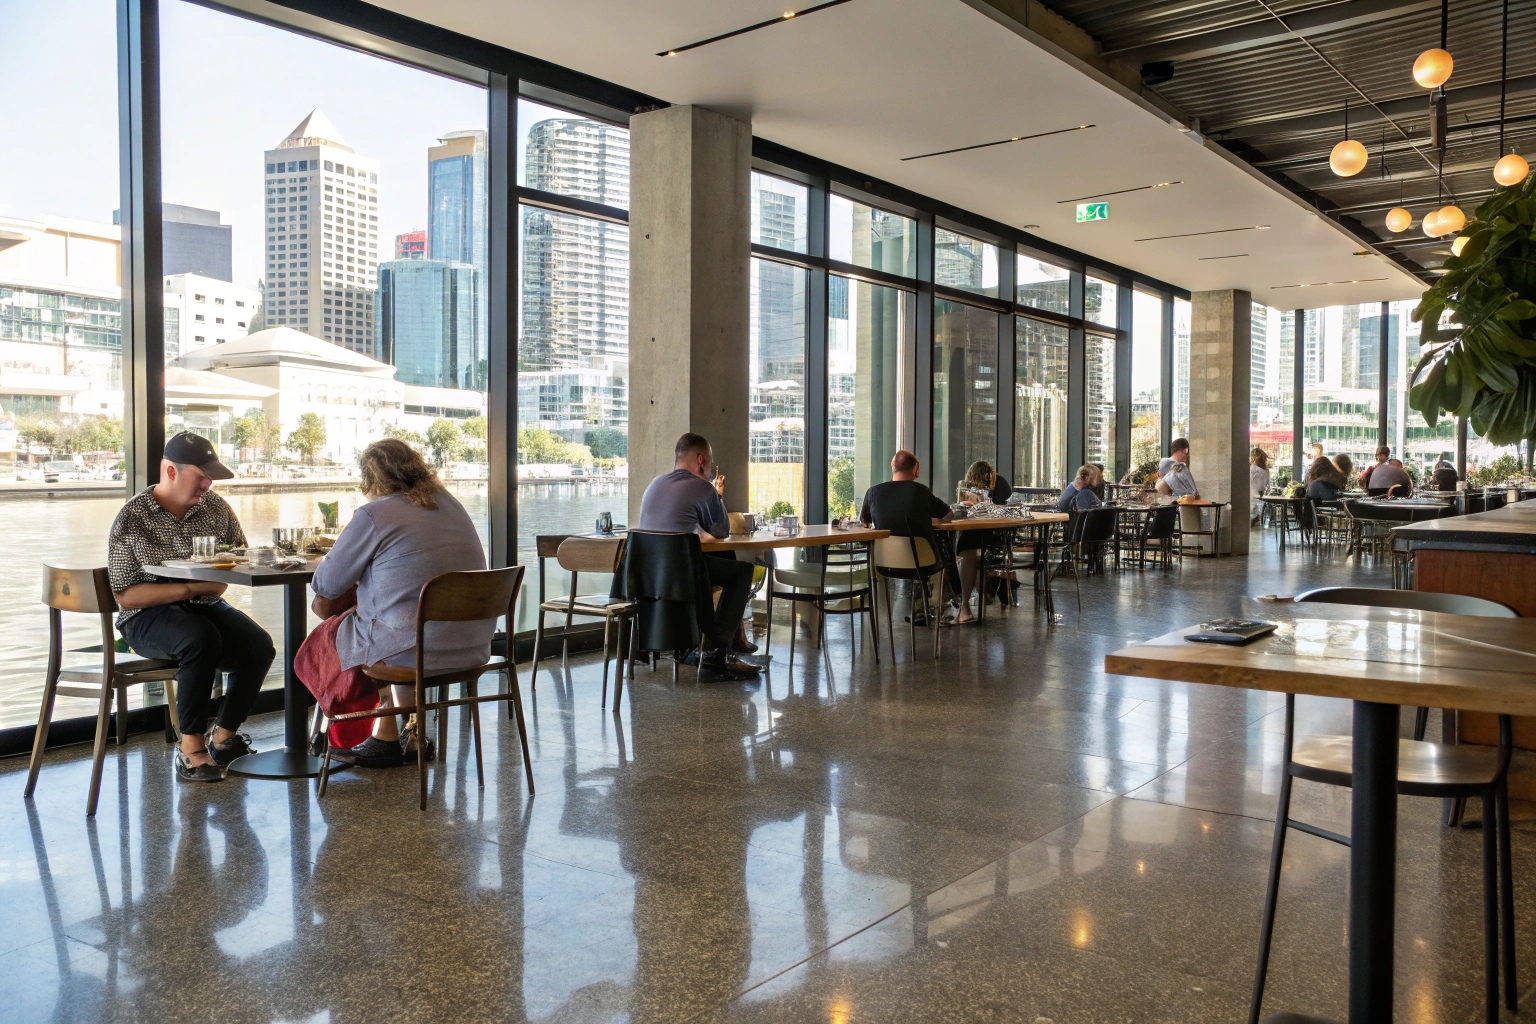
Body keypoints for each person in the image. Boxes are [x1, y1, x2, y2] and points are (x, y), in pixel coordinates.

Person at [303, 439, 495, 769]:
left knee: (331, 631)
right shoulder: (451, 504)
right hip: (472, 648)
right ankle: (405, 734)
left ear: (369, 478)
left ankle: (344, 736)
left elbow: (326, 585)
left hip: (413, 650)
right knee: (393, 620)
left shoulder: (375, 513)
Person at [110, 431, 275, 783]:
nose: (207, 485)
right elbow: (126, 595)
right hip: (144, 618)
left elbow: (234, 567)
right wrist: (189, 587)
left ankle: (225, 737)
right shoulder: (133, 517)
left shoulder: (215, 508)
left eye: (210, 477)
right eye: (201, 476)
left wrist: (198, 588)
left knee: (258, 646)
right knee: (198, 638)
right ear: (171, 471)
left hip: (203, 607)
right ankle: (190, 749)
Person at [636, 433, 759, 681]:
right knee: (741, 571)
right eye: (711, 461)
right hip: (684, 572)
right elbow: (722, 530)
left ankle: (714, 643)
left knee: (728, 558)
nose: (713, 468)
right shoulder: (703, 487)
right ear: (701, 459)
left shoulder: (654, 484)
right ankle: (718, 649)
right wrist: (715, 493)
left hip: (649, 577)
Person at [858, 449, 960, 625]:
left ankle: (920, 607)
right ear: (916, 470)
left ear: (893, 467)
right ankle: (941, 605)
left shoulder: (873, 492)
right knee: (942, 550)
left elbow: (864, 522)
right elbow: (947, 514)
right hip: (923, 561)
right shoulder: (920, 491)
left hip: (884, 563)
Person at [953, 460, 1013, 624]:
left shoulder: (989, 488)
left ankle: (963, 602)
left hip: (990, 535)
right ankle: (966, 598)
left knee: (968, 549)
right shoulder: (999, 486)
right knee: (969, 547)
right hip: (996, 536)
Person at [1250, 448, 1271, 525]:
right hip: (1258, 496)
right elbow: (1266, 485)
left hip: (1253, 496)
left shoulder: (1252, 469)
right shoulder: (1264, 471)